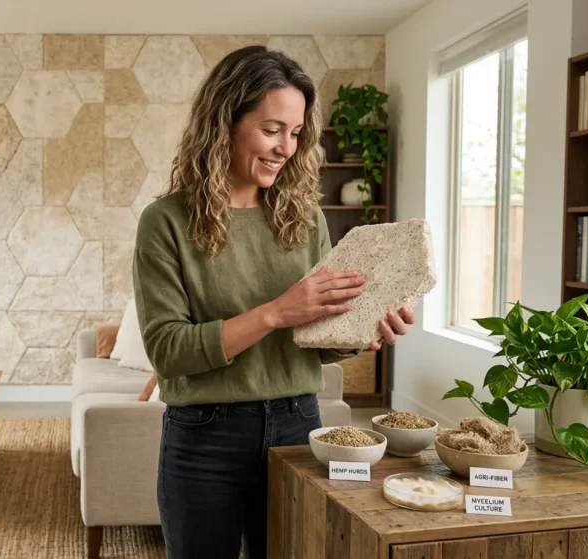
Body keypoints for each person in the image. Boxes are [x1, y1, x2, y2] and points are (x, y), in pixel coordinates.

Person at [132, 46, 414, 559]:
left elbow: (315, 342)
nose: (286, 147)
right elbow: (168, 351)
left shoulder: (305, 219)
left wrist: (362, 329)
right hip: (205, 437)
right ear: (224, 123)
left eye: (296, 132)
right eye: (271, 129)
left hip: (298, 425)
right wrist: (277, 311)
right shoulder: (167, 221)